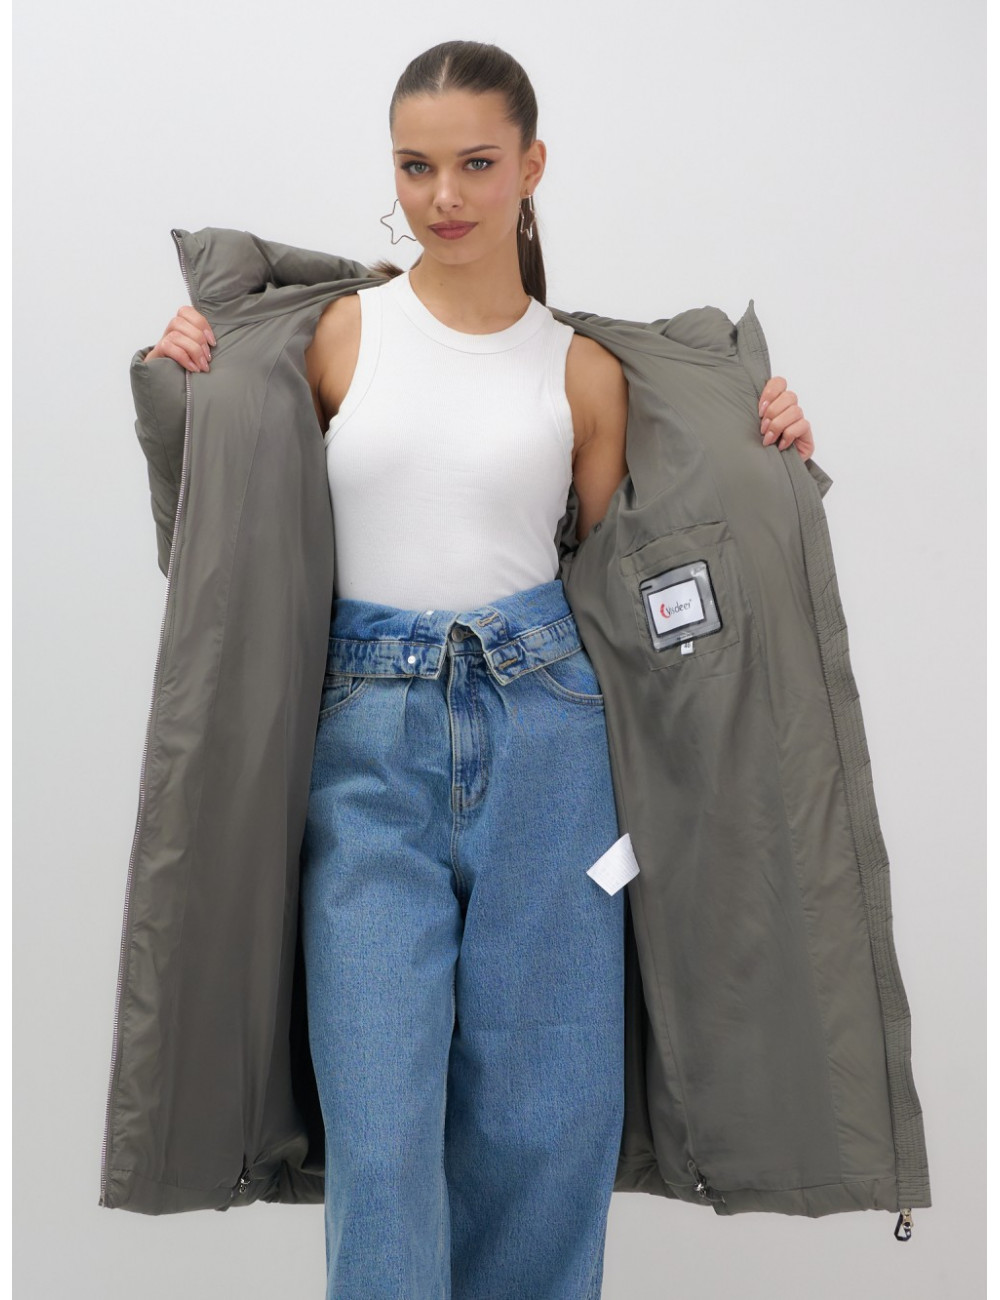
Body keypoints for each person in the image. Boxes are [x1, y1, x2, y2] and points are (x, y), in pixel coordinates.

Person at [140, 38, 816, 1300]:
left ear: (530, 167)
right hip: (364, 748)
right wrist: (192, 391)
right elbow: (222, 546)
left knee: (542, 1130)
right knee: (382, 1135)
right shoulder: (334, 338)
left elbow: (626, 588)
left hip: (549, 744)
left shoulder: (583, 372)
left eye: (475, 164)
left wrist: (757, 447)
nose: (442, 196)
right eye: (415, 166)